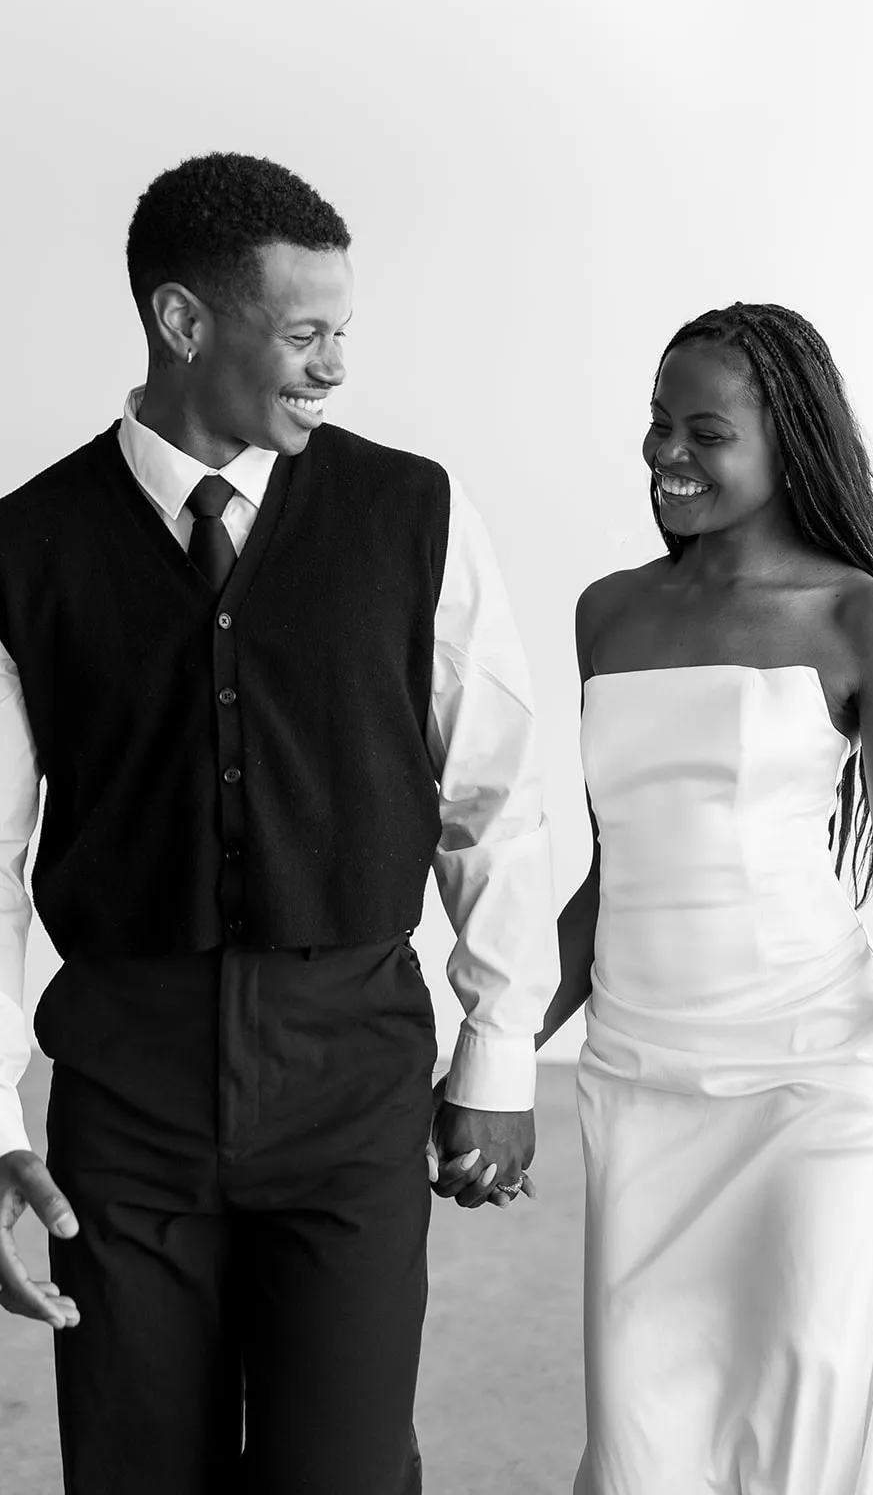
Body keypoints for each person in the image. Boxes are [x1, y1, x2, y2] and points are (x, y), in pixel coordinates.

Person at [0, 151, 556, 1495]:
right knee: (136, 1472)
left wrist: (497, 1056)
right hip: (125, 1096)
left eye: (340, 335)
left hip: (350, 1072)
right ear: (183, 322)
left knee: (346, 1471)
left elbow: (493, 794)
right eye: (305, 335)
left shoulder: (411, 512)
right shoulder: (27, 548)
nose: (332, 369)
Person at [537, 303, 873, 1494]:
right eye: (653, 425)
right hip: (639, 1090)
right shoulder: (608, 612)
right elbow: (608, 869)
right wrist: (485, 1047)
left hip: (812, 1090)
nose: (664, 454)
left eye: (703, 430)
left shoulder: (864, 624)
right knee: (644, 1454)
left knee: (813, 1433)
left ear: (788, 444)